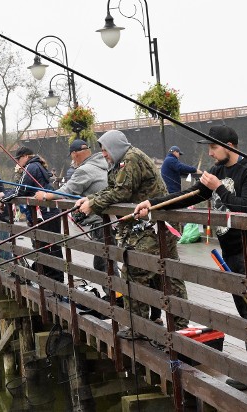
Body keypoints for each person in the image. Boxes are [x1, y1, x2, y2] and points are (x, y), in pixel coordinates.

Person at [134, 124, 247, 390]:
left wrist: (220, 188)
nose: (209, 154)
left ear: (230, 146)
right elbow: (189, 195)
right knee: (245, 310)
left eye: (213, 147)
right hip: (232, 249)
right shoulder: (218, 170)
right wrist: (154, 204)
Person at [75, 130, 189, 339]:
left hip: (154, 226)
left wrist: (93, 204)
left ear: (115, 147)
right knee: (167, 273)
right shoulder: (121, 162)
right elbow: (114, 189)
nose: (104, 154)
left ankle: (141, 327)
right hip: (154, 225)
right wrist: (89, 199)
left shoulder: (131, 159)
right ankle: (177, 326)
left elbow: (122, 192)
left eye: (106, 150)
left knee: (136, 271)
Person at [34, 139, 109, 274]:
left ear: (75, 154)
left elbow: (67, 191)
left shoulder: (84, 170)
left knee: (103, 265)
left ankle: (116, 295)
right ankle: (116, 294)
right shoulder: (102, 164)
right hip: (108, 218)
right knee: (108, 260)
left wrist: (45, 196)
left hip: (100, 221)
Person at [0, 147, 63, 283]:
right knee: (49, 245)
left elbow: (20, 190)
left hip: (45, 213)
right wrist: (3, 194)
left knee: (47, 246)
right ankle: (50, 278)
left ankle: (54, 280)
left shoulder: (31, 167)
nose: (17, 162)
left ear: (25, 156)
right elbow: (21, 188)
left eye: (18, 159)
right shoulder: (37, 165)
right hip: (48, 212)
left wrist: (3, 199)